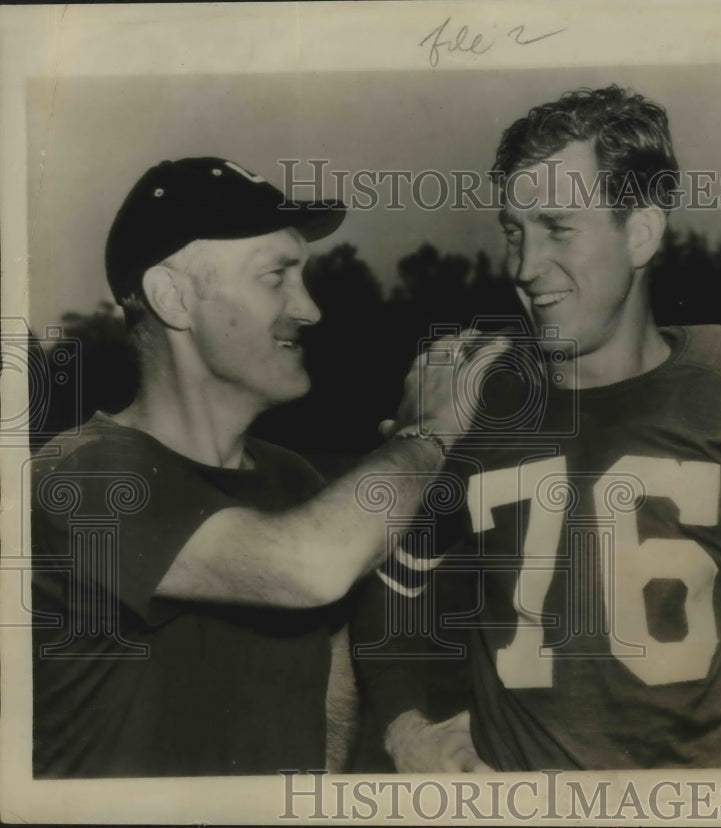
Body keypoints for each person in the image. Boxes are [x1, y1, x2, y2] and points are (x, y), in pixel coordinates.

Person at [352, 86, 721, 771]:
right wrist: (407, 730)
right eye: (515, 231)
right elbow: (386, 589)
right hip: (521, 807)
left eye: (557, 227)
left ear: (641, 232)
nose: (524, 267)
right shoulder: (473, 397)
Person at [31, 156, 504, 778]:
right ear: (173, 297)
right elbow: (311, 565)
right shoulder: (80, 475)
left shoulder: (294, 481)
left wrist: (396, 743)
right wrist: (431, 431)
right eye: (276, 276)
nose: (309, 310)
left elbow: (332, 689)